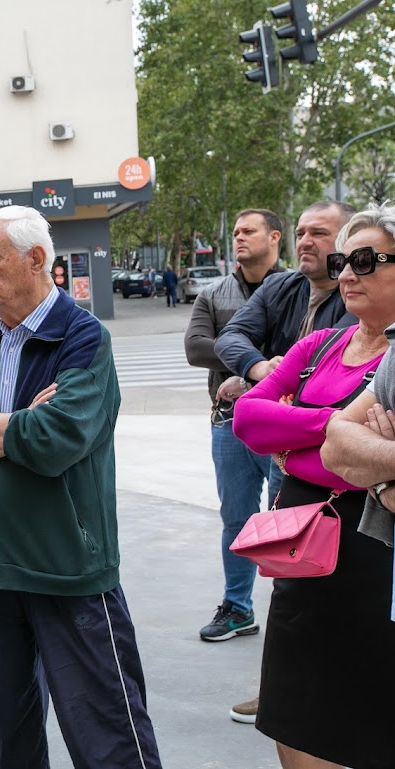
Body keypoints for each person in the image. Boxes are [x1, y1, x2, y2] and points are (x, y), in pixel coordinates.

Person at [0, 206, 161, 768]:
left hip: (67, 567)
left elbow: (55, 440)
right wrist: (10, 425)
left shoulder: (81, 337)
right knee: (10, 731)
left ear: (35, 261)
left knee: (107, 732)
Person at [233, 205, 395, 769]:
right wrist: (335, 425)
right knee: (293, 705)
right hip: (302, 555)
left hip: (373, 557)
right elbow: (248, 420)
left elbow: (346, 465)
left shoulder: (394, 359)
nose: (347, 273)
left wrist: (299, 433)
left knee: (367, 712)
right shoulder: (321, 345)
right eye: (343, 261)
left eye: (365, 261)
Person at [211, 199, 355, 723]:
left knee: (331, 588)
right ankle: (281, 688)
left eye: (321, 232)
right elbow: (229, 340)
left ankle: (313, 693)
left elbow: (354, 414)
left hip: (345, 485)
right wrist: (258, 367)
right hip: (290, 457)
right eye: (301, 231)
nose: (307, 241)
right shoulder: (282, 287)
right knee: (290, 576)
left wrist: (305, 414)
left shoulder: (356, 306)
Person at [184, 209, 285, 645]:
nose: (239, 238)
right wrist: (258, 361)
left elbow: (307, 347)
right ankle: (238, 607)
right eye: (237, 232)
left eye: (249, 231)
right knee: (236, 519)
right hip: (230, 422)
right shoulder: (213, 293)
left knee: (290, 519)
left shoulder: (300, 289)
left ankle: (290, 606)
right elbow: (196, 348)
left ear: (274, 237)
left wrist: (248, 372)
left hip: (286, 424)